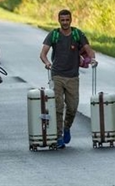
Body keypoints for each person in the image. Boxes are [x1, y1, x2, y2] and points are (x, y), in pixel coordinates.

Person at [39, 9, 97, 149]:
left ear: (71, 20)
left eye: (67, 20)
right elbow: (43, 53)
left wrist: (93, 59)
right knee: (58, 106)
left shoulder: (78, 34)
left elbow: (89, 50)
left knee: (72, 107)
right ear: (59, 20)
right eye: (62, 20)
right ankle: (58, 137)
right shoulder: (54, 34)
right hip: (57, 75)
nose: (65, 22)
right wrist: (47, 63)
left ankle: (66, 127)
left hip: (72, 76)